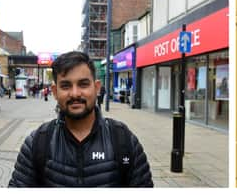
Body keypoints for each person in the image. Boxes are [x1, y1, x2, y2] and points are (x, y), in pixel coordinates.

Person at [8, 51, 153, 187]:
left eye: (83, 84)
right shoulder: (37, 143)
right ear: (54, 92)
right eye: (66, 86)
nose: (75, 93)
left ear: (96, 88)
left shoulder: (123, 139)